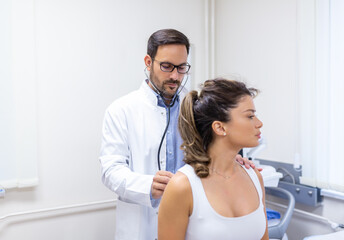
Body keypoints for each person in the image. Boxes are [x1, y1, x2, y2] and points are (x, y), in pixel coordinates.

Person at [99, 29, 256, 240]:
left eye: (181, 68)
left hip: (191, 219)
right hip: (142, 225)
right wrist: (148, 185)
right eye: (166, 66)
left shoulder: (193, 105)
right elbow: (110, 170)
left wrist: (229, 157)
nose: (175, 76)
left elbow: (209, 147)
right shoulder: (121, 110)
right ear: (148, 62)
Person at [158, 78, 269, 240]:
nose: (259, 123)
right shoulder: (182, 187)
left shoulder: (254, 177)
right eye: (250, 116)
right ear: (219, 127)